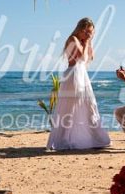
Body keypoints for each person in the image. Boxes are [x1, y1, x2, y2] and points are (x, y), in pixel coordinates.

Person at [46, 18, 111, 150]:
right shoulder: (73, 39)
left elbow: (90, 57)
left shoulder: (83, 41)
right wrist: (86, 42)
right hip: (73, 75)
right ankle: (65, 139)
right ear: (81, 29)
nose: (88, 34)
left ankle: (91, 138)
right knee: (70, 108)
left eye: (91, 33)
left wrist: (89, 41)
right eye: (86, 31)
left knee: (88, 106)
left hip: (82, 75)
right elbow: (81, 56)